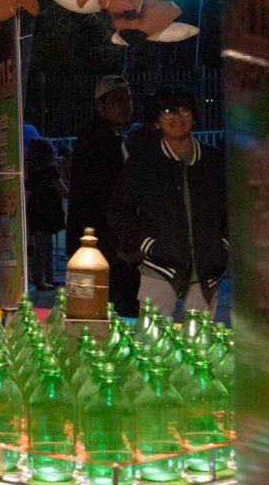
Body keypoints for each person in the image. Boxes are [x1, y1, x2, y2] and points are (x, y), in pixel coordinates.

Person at [107, 87, 228, 320]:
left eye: (184, 110)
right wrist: (146, 244)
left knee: (200, 346)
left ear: (194, 116)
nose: (177, 117)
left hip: (205, 269)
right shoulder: (144, 162)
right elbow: (118, 211)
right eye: (168, 111)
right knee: (152, 343)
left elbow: (232, 211)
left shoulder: (213, 160)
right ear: (157, 120)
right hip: (158, 267)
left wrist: (223, 245)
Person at [65, 74, 140, 316]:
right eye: (118, 100)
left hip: (102, 244)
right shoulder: (98, 143)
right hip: (103, 247)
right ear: (101, 105)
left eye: (128, 99)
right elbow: (96, 200)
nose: (126, 105)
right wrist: (116, 244)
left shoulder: (111, 139)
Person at [26, 137, 68, 291]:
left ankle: (43, 277)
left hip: (36, 207)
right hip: (48, 208)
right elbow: (62, 189)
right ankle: (44, 278)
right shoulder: (51, 170)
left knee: (41, 244)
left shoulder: (32, 170)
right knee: (46, 245)